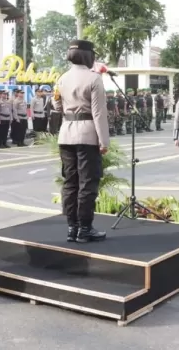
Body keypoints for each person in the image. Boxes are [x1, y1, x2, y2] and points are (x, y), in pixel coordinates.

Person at [54, 40, 109, 243]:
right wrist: (103, 141)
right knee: (88, 182)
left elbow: (57, 105)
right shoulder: (94, 78)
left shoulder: (62, 78)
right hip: (87, 134)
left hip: (66, 133)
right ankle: (85, 229)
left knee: (70, 182)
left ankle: (72, 227)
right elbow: (99, 113)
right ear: (88, 56)